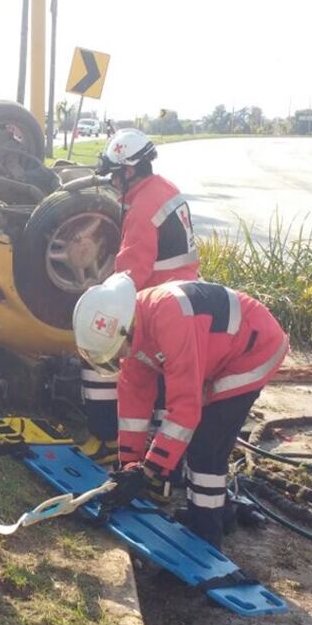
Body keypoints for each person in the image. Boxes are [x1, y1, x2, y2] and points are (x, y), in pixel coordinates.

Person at [74, 273, 289, 548]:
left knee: (206, 448)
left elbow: (184, 410)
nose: (119, 358)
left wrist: (147, 471)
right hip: (222, 350)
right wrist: (128, 465)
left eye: (117, 351)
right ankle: (219, 512)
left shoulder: (169, 318)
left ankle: (206, 537)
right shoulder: (136, 329)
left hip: (254, 349)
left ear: (125, 329)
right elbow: (133, 409)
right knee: (200, 441)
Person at [78, 128, 200, 464]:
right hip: (181, 299)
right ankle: (163, 462)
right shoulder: (164, 191)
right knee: (168, 383)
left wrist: (102, 301)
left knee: (103, 356)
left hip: (158, 302)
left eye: (115, 176)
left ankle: (106, 442)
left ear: (129, 170)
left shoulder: (144, 205)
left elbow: (132, 271)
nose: (114, 183)